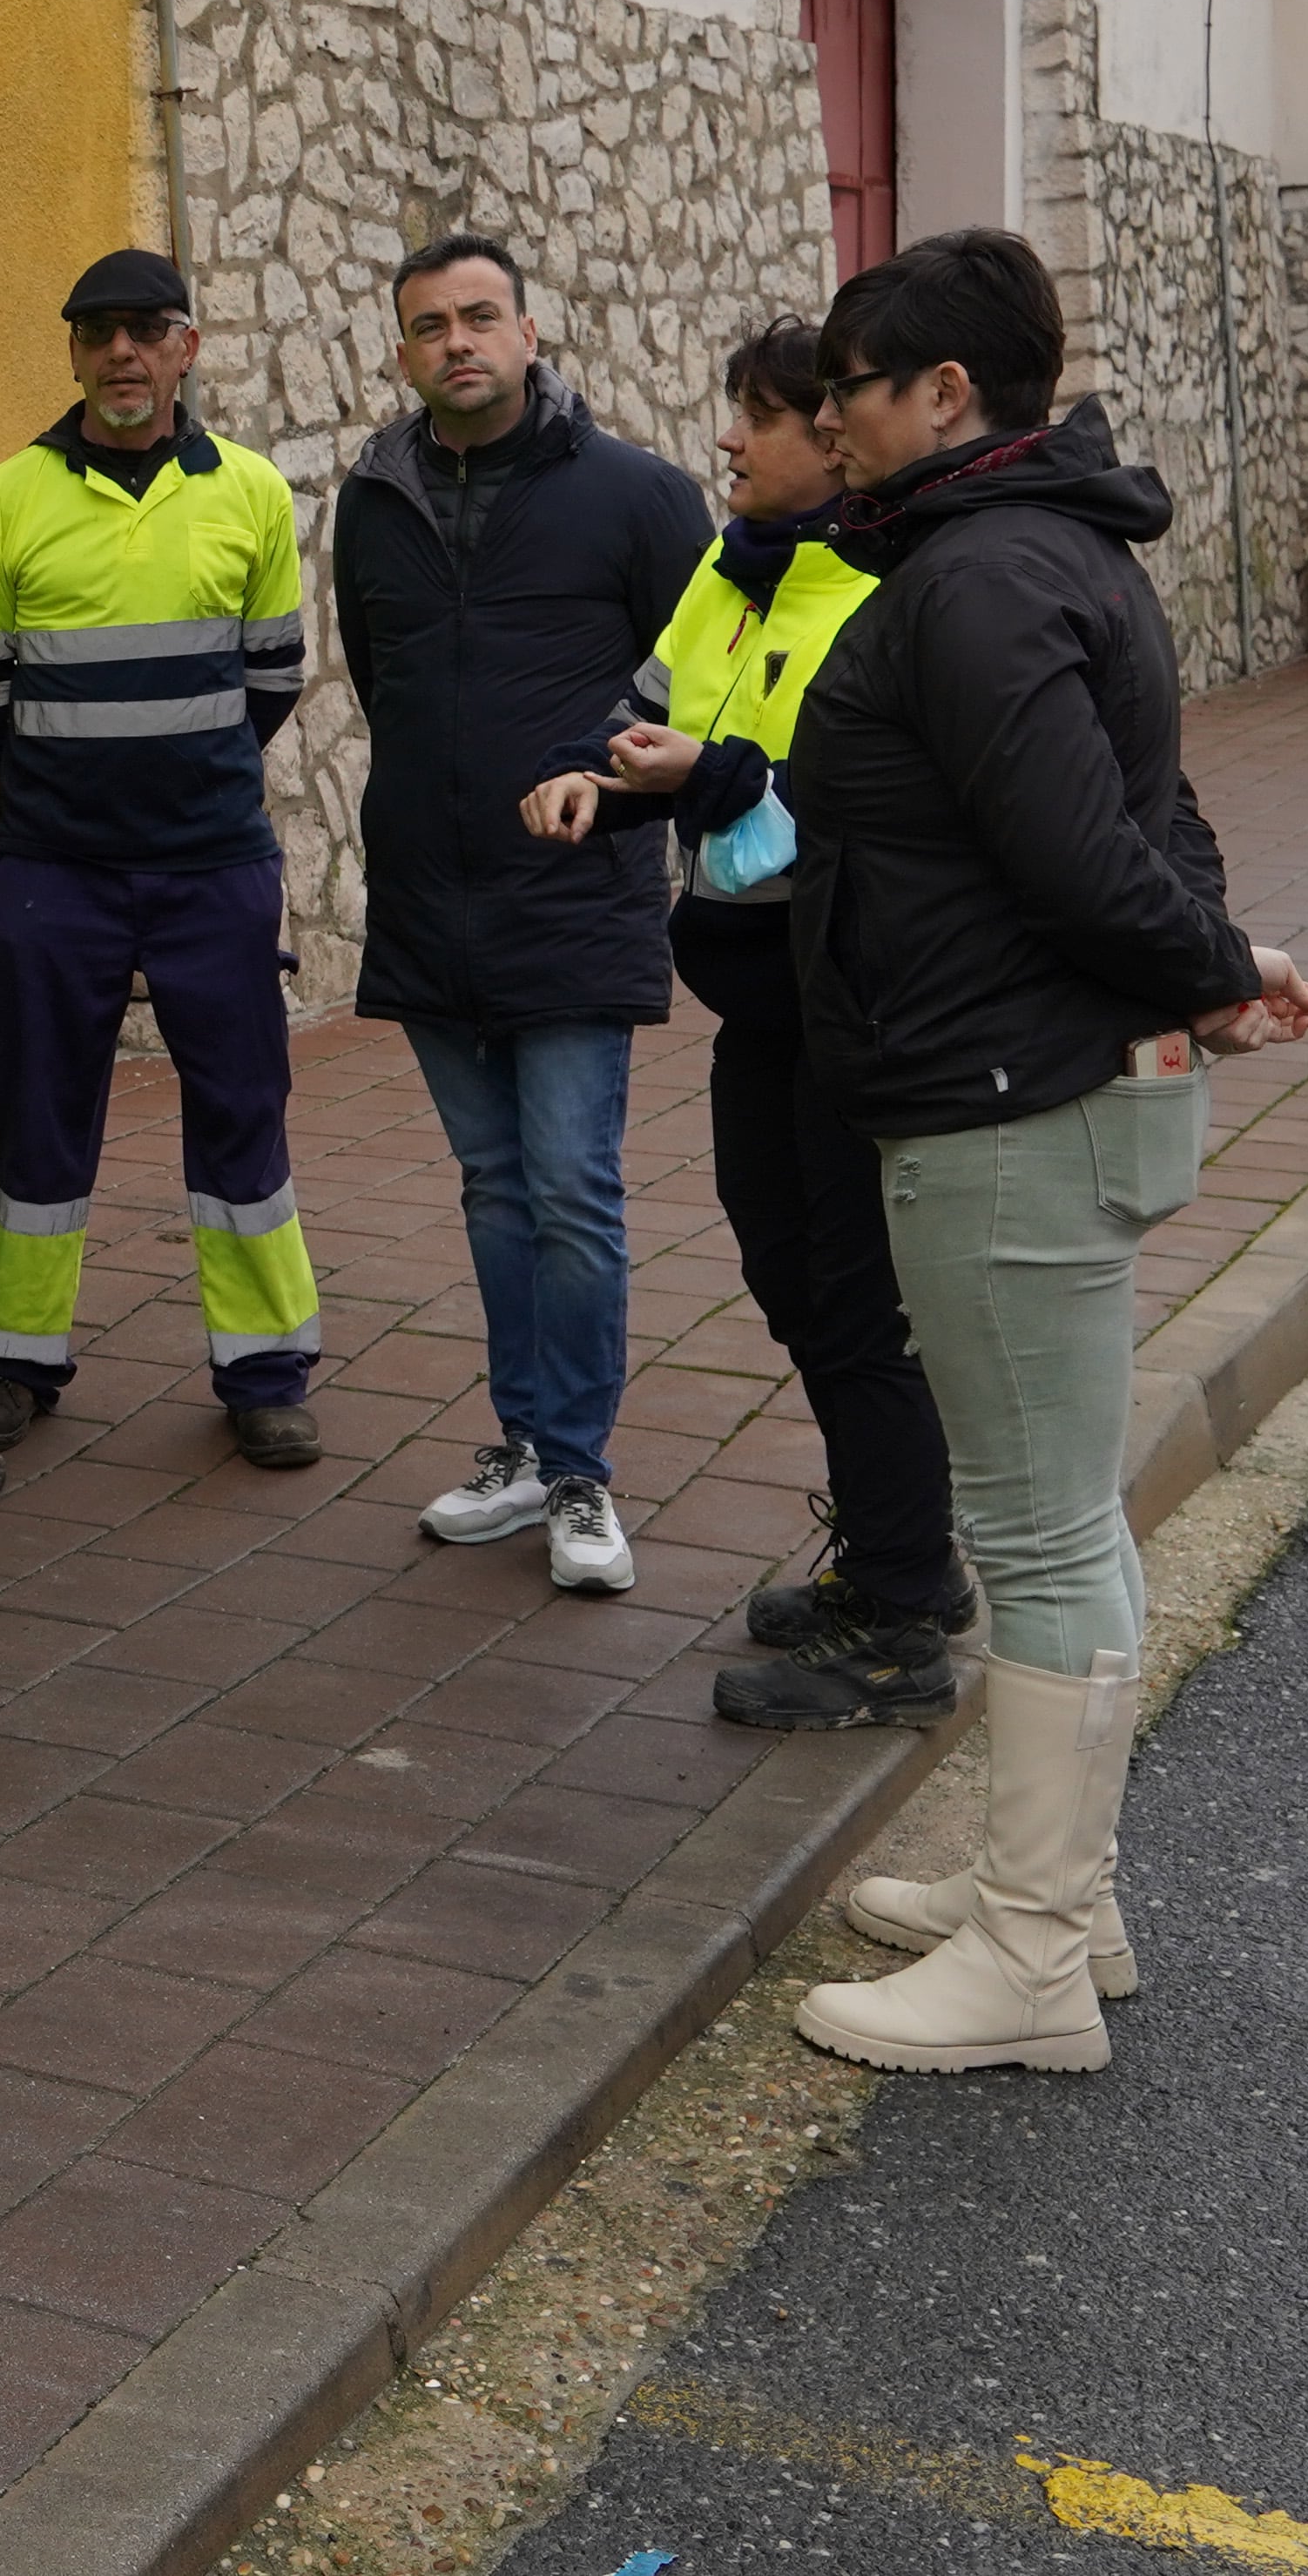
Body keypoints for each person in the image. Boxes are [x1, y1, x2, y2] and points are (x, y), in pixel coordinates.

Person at [782, 229, 1308, 2077]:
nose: (821, 418)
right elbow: (1139, 809)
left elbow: (1076, 850)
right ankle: (1054, 1890)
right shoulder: (1038, 548)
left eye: (844, 387)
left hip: (1000, 1105)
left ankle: (1024, 1949)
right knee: (1056, 1511)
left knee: (1028, 1519)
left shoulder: (980, 574)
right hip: (1027, 1081)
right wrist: (1218, 962)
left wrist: (1200, 963)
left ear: (943, 396)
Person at [519, 321, 968, 1730]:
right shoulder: (728, 566)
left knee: (854, 1303)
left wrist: (708, 774)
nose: (735, 441)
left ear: (828, 435)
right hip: (755, 1001)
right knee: (792, 1282)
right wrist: (613, 780)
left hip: (851, 996)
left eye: (761, 418)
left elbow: (861, 801)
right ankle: (909, 1562)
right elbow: (656, 722)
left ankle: (901, 1614)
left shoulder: (889, 583)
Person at [333, 233, 709, 1595]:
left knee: (570, 1188)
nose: (456, 343)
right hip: (428, 896)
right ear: (399, 354)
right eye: (427, 326)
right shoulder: (369, 497)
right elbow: (381, 680)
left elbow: (695, 697)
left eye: (478, 317)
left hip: (569, 893)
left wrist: (601, 793)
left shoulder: (639, 497)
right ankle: (520, 1443)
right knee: (493, 1188)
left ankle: (578, 1472)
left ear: (529, 331)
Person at [0, 250, 323, 1471]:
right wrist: (77, 790)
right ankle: (10, 1360)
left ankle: (263, 1371)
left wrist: (175, 780)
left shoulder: (252, 494)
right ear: (70, 353)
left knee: (239, 1110)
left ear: (183, 348)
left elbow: (271, 676)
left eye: (143, 331)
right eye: (96, 332)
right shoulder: (4, 499)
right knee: (40, 1114)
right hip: (53, 866)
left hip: (211, 859)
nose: (119, 354)